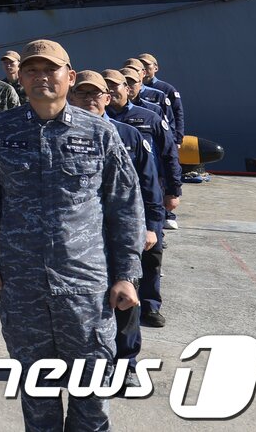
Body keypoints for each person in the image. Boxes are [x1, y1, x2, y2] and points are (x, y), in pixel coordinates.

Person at [0, 39, 143, 432]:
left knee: (91, 392)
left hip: (86, 286)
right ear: (21, 77)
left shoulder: (100, 133)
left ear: (69, 75)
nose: (41, 77)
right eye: (32, 70)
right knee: (36, 390)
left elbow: (124, 205)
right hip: (23, 284)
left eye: (50, 69)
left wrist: (127, 274)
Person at [72, 70, 163, 376]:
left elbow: (149, 185)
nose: (89, 100)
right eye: (82, 94)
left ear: (107, 99)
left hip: (123, 233)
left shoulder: (130, 136)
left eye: (95, 94)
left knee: (125, 300)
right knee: (83, 306)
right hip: (81, 239)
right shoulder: (61, 136)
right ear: (71, 97)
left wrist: (152, 225)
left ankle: (127, 367)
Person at [105, 68, 180, 328]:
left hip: (146, 200)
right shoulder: (94, 124)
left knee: (151, 257)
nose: (113, 90)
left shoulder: (147, 118)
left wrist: (173, 191)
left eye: (118, 85)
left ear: (128, 88)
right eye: (107, 86)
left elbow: (169, 154)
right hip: (112, 207)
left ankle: (150, 306)